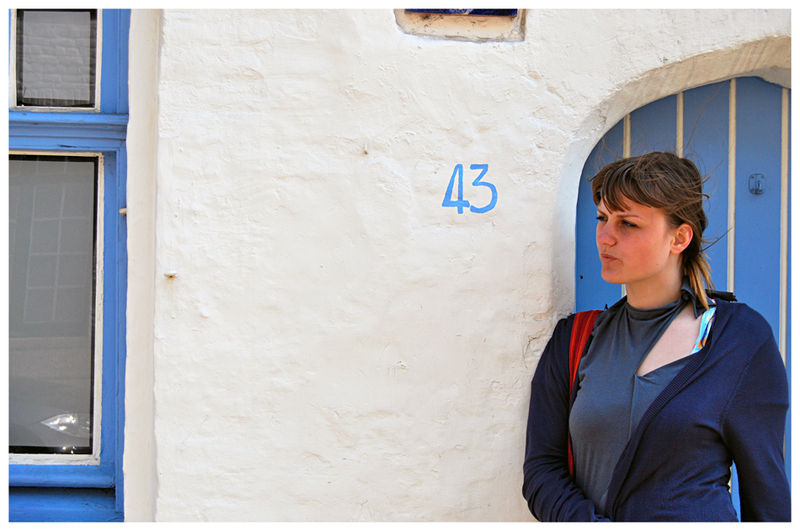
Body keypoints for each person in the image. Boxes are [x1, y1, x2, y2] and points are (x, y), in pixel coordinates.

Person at [522, 151, 790, 521]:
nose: (605, 238)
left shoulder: (739, 338)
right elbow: (542, 472)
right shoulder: (575, 339)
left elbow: (768, 497)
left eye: (628, 224)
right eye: (602, 218)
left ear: (679, 238)